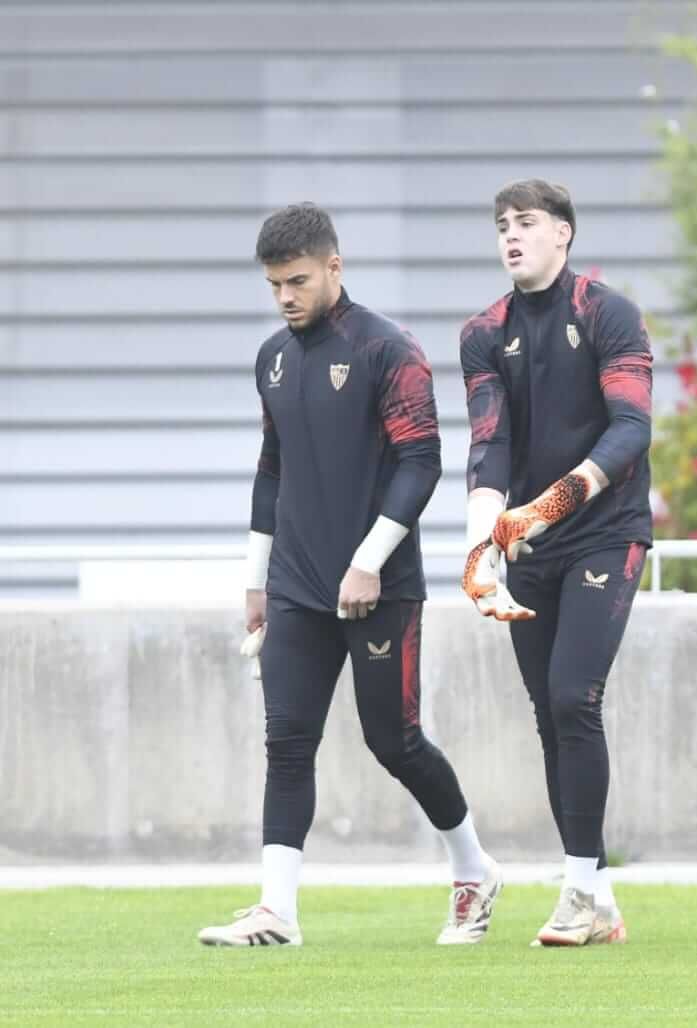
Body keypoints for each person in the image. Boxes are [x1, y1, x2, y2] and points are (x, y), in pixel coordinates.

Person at [200, 203, 500, 948]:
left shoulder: (386, 349)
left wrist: (368, 562)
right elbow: (271, 470)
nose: (285, 297)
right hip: (296, 585)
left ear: (333, 267)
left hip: (379, 588)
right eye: (274, 285)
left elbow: (421, 462)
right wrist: (256, 579)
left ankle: (474, 868)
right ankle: (277, 911)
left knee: (393, 740)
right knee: (286, 740)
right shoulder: (272, 358)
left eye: (297, 281)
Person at [458, 179, 652, 947]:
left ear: (563, 234)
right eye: (502, 225)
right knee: (550, 714)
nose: (511, 235)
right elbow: (490, 444)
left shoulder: (606, 312)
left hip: (606, 532)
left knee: (575, 696)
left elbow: (631, 428)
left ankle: (577, 891)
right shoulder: (484, 332)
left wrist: (548, 506)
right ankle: (595, 895)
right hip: (531, 545)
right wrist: (480, 548)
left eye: (527, 222)